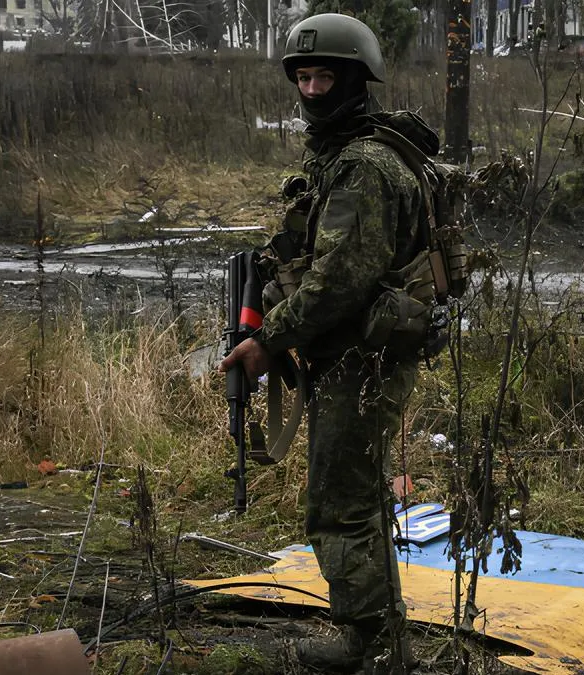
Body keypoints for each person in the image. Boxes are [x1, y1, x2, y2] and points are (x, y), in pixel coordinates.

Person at [218, 12, 441, 675]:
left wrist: (266, 342)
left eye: (325, 76)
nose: (312, 89)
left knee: (339, 505)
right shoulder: (346, 156)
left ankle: (363, 641)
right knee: (357, 498)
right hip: (351, 356)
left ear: (355, 80)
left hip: (360, 360)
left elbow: (339, 283)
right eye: (304, 76)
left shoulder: (366, 166)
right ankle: (382, 638)